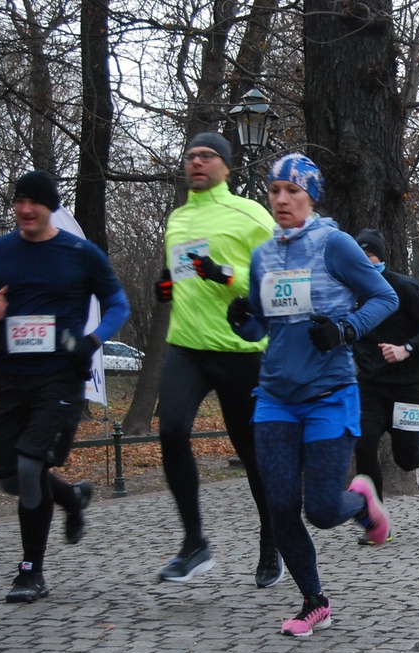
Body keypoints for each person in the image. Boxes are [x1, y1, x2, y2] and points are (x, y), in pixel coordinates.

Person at [226, 153, 398, 636]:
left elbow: (385, 297)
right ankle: (314, 600)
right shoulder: (263, 255)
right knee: (279, 506)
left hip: (329, 393)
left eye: (292, 192)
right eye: (274, 191)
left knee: (320, 510)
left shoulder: (334, 245)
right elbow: (264, 324)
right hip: (275, 397)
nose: (281, 200)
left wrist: (345, 329)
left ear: (311, 197)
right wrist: (244, 321)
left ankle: (361, 501)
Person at [0, 170, 130, 603]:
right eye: (19, 201)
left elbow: (118, 304)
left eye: (34, 202)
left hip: (61, 376)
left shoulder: (80, 253)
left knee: (30, 467)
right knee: (9, 475)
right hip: (12, 377)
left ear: (51, 207)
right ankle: (71, 498)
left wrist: (92, 340)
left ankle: (31, 571)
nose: (25, 209)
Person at [154, 132, 279, 586]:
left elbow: (275, 277)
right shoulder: (178, 219)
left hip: (239, 350)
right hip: (187, 344)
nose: (197, 162)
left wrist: (223, 274)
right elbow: (182, 275)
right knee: (171, 429)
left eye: (207, 156)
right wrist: (166, 285)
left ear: (226, 166)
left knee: (253, 455)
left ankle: (272, 540)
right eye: (191, 156)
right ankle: (194, 544)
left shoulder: (250, 214)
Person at [352, 228, 419, 543]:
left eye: (369, 255)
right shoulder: (351, 291)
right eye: (359, 255)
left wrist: (407, 348)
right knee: (364, 444)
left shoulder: (404, 286)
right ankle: (376, 523)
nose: (364, 261)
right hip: (370, 386)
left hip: (408, 389)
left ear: (380, 257)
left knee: (405, 459)